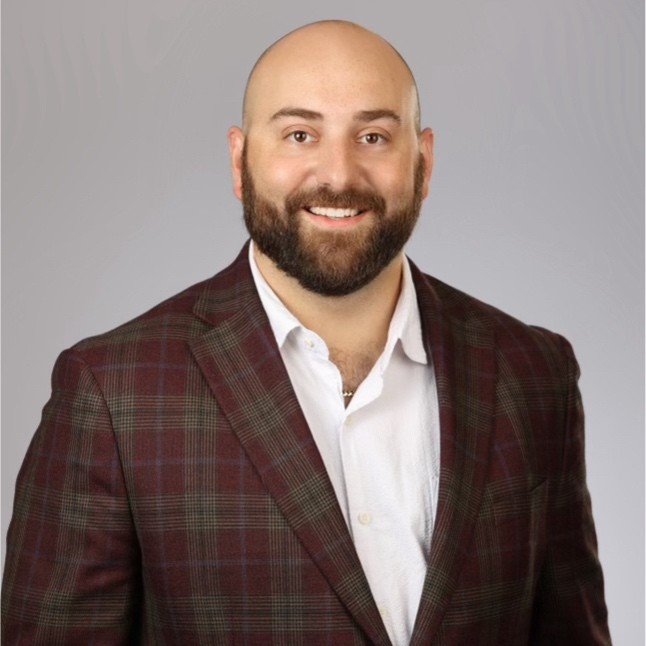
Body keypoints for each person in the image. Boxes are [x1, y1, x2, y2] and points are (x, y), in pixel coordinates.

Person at [1, 19, 610, 646]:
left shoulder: (534, 374)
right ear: (240, 162)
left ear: (424, 163)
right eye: (300, 134)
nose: (338, 175)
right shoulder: (112, 392)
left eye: (373, 136)